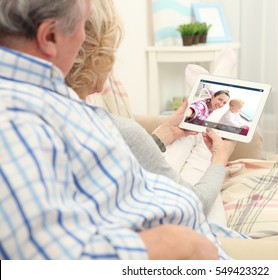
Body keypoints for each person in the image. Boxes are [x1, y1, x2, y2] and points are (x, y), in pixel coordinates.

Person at [0, 0, 236, 260]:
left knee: (188, 145)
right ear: (50, 36)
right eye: (81, 28)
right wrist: (174, 244)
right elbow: (50, 255)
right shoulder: (16, 119)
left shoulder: (47, 103)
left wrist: (164, 134)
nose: (82, 39)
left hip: (193, 234)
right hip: (191, 246)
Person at [65, 0, 234, 217]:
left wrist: (164, 133)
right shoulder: (113, 129)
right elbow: (194, 205)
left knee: (187, 136)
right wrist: (221, 159)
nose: (114, 59)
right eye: (111, 50)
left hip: (143, 180)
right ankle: (220, 81)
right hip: (174, 217)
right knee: (201, 151)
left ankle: (214, 84)